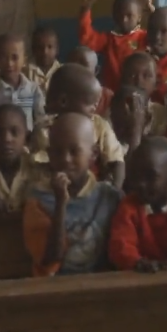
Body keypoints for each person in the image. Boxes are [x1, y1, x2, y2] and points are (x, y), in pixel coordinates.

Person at [23, 112, 122, 276]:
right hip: (54, 290)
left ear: (94, 154)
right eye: (57, 152)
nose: (66, 159)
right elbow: (52, 257)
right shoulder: (38, 200)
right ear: (49, 154)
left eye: (74, 151)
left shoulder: (109, 196)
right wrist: (60, 203)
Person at [109, 136, 167, 272]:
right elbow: (121, 244)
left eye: (151, 177)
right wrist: (137, 263)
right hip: (136, 278)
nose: (140, 184)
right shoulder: (129, 206)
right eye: (135, 175)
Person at [31, 64, 125, 189]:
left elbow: (117, 161)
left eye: (96, 104)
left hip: (93, 191)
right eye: (90, 103)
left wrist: (115, 188)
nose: (95, 108)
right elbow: (43, 169)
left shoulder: (99, 125)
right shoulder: (45, 130)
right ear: (64, 101)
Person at [79, 0, 155, 92]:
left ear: (139, 17)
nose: (124, 20)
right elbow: (87, 39)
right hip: (113, 94)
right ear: (114, 16)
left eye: (129, 15)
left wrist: (152, 12)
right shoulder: (109, 39)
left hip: (141, 92)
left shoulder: (144, 37)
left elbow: (159, 30)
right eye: (119, 15)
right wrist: (86, 8)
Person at [0, 33, 45, 130]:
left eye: (15, 58)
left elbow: (41, 119)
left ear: (24, 60)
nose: (9, 63)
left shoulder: (33, 89)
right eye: (3, 57)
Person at [111, 86, 167, 156]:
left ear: (147, 120)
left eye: (128, 127)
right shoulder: (108, 144)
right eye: (119, 123)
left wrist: (136, 129)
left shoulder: (153, 150)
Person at [67, 46, 112, 118]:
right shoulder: (60, 94)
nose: (77, 69)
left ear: (96, 70)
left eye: (83, 65)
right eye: (73, 64)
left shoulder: (107, 97)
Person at [24, 27, 61, 91]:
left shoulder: (62, 72)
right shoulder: (25, 71)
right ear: (33, 50)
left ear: (57, 49)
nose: (45, 52)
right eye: (40, 47)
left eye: (50, 47)